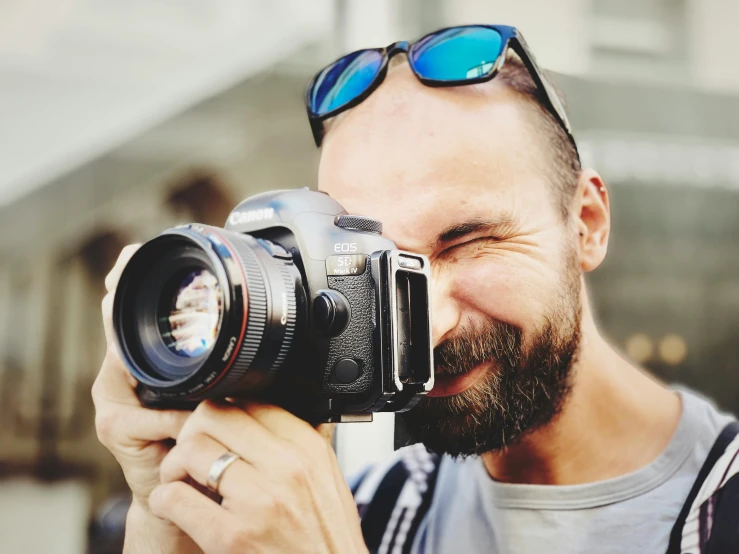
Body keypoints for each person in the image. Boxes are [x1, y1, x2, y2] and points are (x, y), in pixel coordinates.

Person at [93, 25, 738, 554]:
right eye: (375, 267)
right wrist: (172, 512)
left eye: (468, 242)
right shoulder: (369, 508)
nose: (424, 324)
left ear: (587, 225)